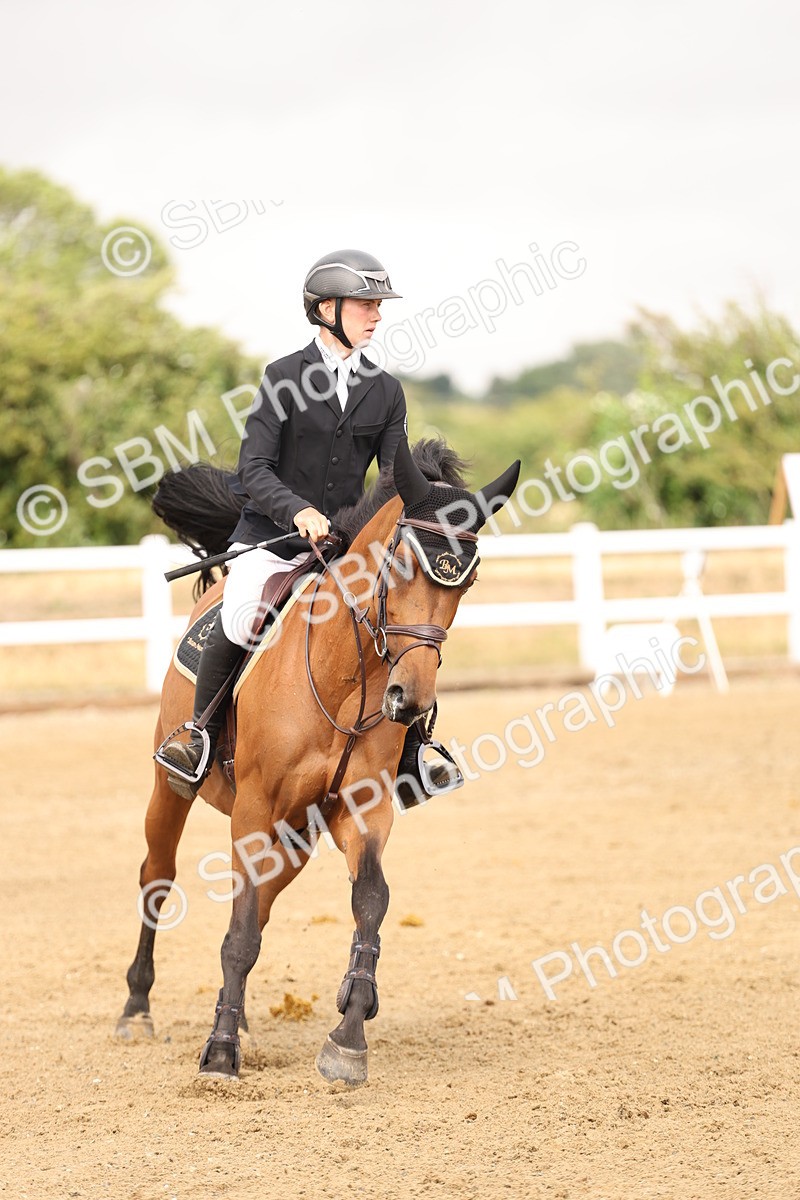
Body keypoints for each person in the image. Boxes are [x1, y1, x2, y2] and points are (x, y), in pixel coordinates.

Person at [160, 248, 411, 799]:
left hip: (343, 548)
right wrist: (297, 510)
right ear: (327, 309)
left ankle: (411, 753)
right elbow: (253, 466)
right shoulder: (284, 377)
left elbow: (395, 475)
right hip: (272, 539)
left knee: (403, 623)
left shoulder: (387, 391)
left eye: (378, 305)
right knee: (242, 614)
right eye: (366, 304)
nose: (377, 314)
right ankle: (199, 733)